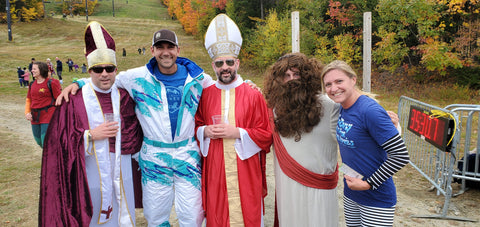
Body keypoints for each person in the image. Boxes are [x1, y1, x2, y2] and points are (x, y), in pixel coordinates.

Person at [57, 28, 214, 226]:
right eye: (160, 48)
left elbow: (223, 87)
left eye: (170, 47)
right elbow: (106, 79)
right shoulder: (136, 78)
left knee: (193, 216)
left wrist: (248, 84)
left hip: (187, 154)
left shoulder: (199, 79)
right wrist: (79, 83)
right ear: (152, 51)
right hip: (154, 156)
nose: (165, 52)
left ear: (178, 50)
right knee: (156, 216)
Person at [38, 21, 143, 227]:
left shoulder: (125, 96)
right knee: (95, 217)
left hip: (121, 170)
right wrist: (90, 135)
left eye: (109, 68)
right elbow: (57, 144)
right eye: (98, 69)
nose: (104, 73)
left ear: (116, 70)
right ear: (89, 70)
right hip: (88, 170)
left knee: (121, 213)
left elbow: (137, 133)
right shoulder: (73, 100)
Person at [195, 14, 272, 227]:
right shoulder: (207, 94)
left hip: (245, 168)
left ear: (237, 62)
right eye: (220, 63)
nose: (225, 67)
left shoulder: (253, 94)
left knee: (247, 213)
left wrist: (237, 132)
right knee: (219, 214)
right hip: (216, 167)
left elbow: (266, 134)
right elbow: (196, 125)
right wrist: (205, 132)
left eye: (229, 62)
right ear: (213, 65)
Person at [321, 60, 409, 226]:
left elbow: (401, 155)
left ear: (353, 80)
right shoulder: (342, 107)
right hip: (352, 193)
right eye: (328, 84)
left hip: (376, 197)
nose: (334, 88)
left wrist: (369, 183)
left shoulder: (369, 110)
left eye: (339, 81)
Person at [263, 53, 340, 226]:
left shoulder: (330, 106)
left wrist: (389, 122)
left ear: (307, 76)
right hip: (287, 188)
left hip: (320, 191)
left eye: (296, 74)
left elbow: (359, 129)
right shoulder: (274, 109)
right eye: (286, 76)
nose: (292, 80)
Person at [24, 61, 62, 147]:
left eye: (34, 69)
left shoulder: (52, 83)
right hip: (35, 117)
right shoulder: (32, 84)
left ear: (41, 70)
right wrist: (27, 112)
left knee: (46, 141)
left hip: (48, 115)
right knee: (39, 141)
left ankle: (52, 158)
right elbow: (28, 100)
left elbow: (59, 100)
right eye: (32, 69)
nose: (32, 70)